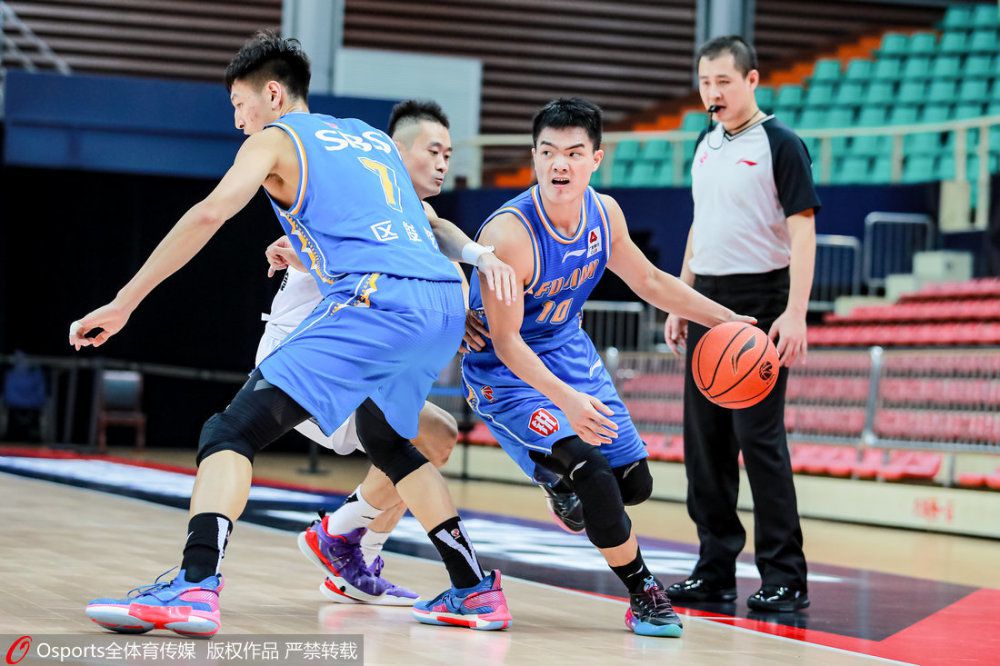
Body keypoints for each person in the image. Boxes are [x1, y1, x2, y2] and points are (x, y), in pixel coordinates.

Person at [71, 31, 512, 637]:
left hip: (375, 297)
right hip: (442, 300)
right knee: (390, 440)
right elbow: (425, 218)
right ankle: (474, 590)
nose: (237, 120)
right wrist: (479, 257)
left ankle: (195, 587)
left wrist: (126, 301)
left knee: (230, 431)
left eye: (238, 105)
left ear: (272, 94)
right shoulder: (369, 136)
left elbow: (209, 212)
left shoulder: (276, 138)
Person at [258, 100, 584, 607]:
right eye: (433, 150)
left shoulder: (414, 214)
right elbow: (323, 247)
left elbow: (442, 236)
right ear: (392, 151)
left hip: (360, 359)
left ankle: (350, 551)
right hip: (308, 355)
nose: (442, 163)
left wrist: (473, 276)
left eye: (449, 154)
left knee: (434, 435)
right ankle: (349, 543)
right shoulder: (353, 196)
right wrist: (294, 249)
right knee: (412, 443)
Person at [461, 97, 754, 637]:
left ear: (596, 158)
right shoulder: (509, 236)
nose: (560, 165)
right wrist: (568, 403)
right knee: (591, 473)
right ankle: (644, 591)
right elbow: (504, 342)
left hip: (567, 350)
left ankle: (559, 480)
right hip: (507, 372)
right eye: (548, 152)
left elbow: (652, 283)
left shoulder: (605, 214)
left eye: (574, 153)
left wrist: (725, 318)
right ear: (534, 157)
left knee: (633, 484)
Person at [663, 35, 818, 613]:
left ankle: (786, 576)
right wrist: (681, 298)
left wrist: (795, 312)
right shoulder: (705, 145)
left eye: (723, 81)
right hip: (709, 301)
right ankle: (714, 570)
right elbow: (699, 227)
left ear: (752, 82)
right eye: (705, 82)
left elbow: (803, 232)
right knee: (705, 447)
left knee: (760, 444)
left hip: (762, 299)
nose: (712, 92)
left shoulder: (782, 143)